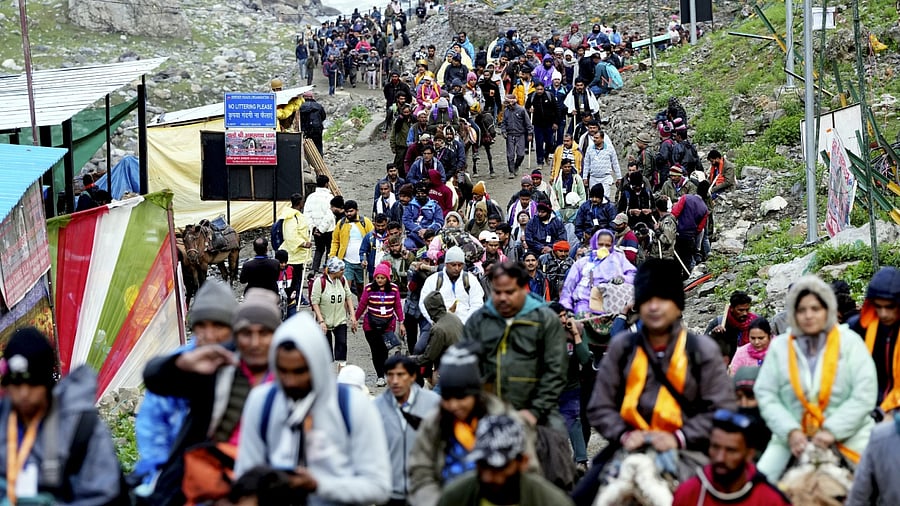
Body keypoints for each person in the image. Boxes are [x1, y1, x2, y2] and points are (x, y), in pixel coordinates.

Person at [585, 258, 735, 496]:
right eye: (647, 300)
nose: (654, 307)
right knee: (581, 497)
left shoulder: (701, 350)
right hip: (631, 444)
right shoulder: (622, 348)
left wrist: (680, 437)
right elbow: (599, 405)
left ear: (677, 305)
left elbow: (722, 408)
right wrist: (624, 435)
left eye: (662, 299)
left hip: (688, 449)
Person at [233, 312, 392, 505]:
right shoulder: (261, 402)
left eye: (300, 371)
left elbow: (378, 487)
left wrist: (318, 485)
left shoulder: (353, 405)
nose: (290, 381)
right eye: (282, 370)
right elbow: (245, 476)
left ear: (317, 365)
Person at [143, 288, 281, 505]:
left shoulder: (289, 374)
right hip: (205, 477)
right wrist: (181, 364)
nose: (255, 343)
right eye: (247, 333)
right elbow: (154, 380)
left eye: (264, 333)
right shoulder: (217, 366)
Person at [753, 275, 877, 480]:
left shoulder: (850, 342)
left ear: (828, 310)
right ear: (793, 313)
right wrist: (790, 431)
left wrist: (832, 431)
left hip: (850, 434)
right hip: (792, 436)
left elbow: (864, 393)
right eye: (801, 310)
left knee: (880, 479)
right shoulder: (780, 347)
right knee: (760, 485)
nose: (808, 316)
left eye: (815, 309)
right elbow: (766, 393)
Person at [0, 328, 126, 504]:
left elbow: (104, 495)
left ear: (47, 381)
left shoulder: (81, 425)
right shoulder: (3, 420)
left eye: (33, 382)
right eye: (15, 382)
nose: (23, 393)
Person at [133, 281, 237, 492]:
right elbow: (152, 422)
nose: (209, 335)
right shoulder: (181, 361)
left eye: (218, 326)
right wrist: (163, 466)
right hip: (178, 465)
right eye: (202, 326)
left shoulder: (242, 364)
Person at [408, 345, 540, 506]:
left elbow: (530, 473)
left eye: (461, 397)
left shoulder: (507, 422)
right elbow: (421, 473)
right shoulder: (435, 423)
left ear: (477, 393)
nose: (454, 405)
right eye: (447, 398)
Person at [462, 261, 567, 429]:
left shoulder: (545, 320)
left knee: (554, 445)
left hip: (538, 416)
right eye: (497, 292)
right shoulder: (478, 321)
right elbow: (466, 366)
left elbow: (556, 370)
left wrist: (535, 411)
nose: (503, 298)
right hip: (488, 413)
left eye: (510, 292)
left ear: (522, 289)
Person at [438, 415, 575, 506]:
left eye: (499, 468)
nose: (488, 477)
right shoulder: (455, 497)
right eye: (483, 465)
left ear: (523, 462)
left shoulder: (550, 501)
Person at [672, 409, 791, 505]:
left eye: (731, 450)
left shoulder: (771, 500)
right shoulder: (688, 493)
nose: (720, 458)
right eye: (715, 447)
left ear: (749, 454)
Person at [374, 356, 441, 506]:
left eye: (400, 375)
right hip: (389, 492)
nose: (395, 381)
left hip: (425, 492)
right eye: (390, 375)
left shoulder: (433, 404)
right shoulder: (376, 408)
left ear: (412, 377)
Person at [849, 266, 900, 419]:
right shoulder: (858, 328)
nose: (884, 313)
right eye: (878, 306)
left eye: (890, 307)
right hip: (865, 406)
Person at [548, 302, 592, 471]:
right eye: (558, 317)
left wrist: (575, 334)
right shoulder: (543, 334)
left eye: (564, 315)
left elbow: (585, 359)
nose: (563, 320)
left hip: (572, 385)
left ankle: (581, 461)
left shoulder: (576, 330)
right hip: (551, 388)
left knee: (575, 421)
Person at [354, 262, 405, 387]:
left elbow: (397, 306)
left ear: (387, 278)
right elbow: (362, 305)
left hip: (388, 325)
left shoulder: (393, 289)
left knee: (384, 349)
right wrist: (354, 319)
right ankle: (380, 376)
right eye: (378, 278)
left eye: (382, 278)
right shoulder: (369, 288)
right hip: (371, 325)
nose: (380, 280)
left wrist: (401, 322)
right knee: (376, 350)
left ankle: (385, 372)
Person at [418, 246, 484, 324]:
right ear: (446, 264)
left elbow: (477, 304)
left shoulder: (471, 280)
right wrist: (435, 321)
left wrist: (464, 324)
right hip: (440, 326)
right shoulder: (433, 280)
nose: (457, 268)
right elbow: (423, 303)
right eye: (453, 265)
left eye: (460, 265)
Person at [311, 257, 356, 368]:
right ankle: (327, 376)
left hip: (340, 320)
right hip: (325, 320)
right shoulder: (320, 282)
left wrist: (353, 316)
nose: (343, 271)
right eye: (341, 269)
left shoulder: (342, 280)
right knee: (326, 351)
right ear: (334, 270)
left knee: (342, 346)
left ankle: (341, 375)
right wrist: (321, 320)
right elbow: (315, 302)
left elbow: (348, 296)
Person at [412, 291, 464, 374]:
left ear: (429, 309)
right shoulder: (453, 317)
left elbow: (428, 357)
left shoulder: (438, 329)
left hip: (451, 369)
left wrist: (409, 359)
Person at [331, 200, 374, 296]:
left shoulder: (365, 222)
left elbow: (373, 238)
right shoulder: (341, 223)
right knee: (346, 289)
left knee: (361, 290)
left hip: (362, 262)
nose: (349, 214)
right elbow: (335, 241)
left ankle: (360, 309)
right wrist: (332, 256)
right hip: (346, 261)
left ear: (357, 210)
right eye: (347, 212)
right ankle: (346, 311)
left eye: (351, 211)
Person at [706, 291, 759, 364]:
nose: (745, 313)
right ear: (731, 309)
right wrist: (713, 334)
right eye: (740, 310)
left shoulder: (755, 322)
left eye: (747, 310)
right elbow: (703, 345)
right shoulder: (719, 322)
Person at [282, 193, 313, 304]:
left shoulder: (297, 215)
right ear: (300, 203)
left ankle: (298, 297)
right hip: (293, 255)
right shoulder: (291, 218)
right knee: (293, 279)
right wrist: (303, 244)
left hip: (298, 255)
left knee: (298, 278)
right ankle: (294, 298)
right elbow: (291, 236)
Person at [304, 175, 337, 275]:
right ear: (326, 184)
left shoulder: (310, 197)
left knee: (319, 249)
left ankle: (314, 269)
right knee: (329, 249)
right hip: (328, 229)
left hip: (315, 229)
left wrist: (313, 228)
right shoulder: (330, 197)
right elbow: (330, 215)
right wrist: (321, 229)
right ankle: (327, 269)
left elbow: (307, 213)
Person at [403, 182, 445, 250]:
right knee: (408, 245)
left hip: (431, 236)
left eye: (423, 193)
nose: (420, 195)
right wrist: (419, 229)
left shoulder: (435, 206)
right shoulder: (410, 206)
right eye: (418, 194)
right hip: (414, 236)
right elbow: (406, 220)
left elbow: (439, 222)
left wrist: (428, 231)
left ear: (427, 194)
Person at [582, 130, 621, 202]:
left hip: (605, 178)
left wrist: (619, 177)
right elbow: (586, 163)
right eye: (594, 138)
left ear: (602, 139)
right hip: (593, 178)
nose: (594, 139)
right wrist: (584, 177)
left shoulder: (610, 148)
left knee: (604, 199)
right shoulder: (589, 148)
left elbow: (615, 163)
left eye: (597, 138)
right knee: (594, 199)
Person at [501, 94, 534, 178]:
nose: (506, 104)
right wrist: (503, 131)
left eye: (508, 102)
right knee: (510, 155)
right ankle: (511, 171)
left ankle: (516, 166)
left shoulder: (521, 110)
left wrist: (530, 133)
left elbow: (528, 123)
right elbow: (503, 123)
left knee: (521, 154)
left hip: (520, 135)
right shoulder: (506, 111)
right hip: (510, 135)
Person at [299, 91, 327, 155]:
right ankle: (319, 159)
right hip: (317, 129)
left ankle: (307, 161)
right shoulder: (319, 106)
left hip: (305, 130)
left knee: (304, 147)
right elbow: (323, 117)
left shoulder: (301, 107)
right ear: (312, 97)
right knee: (318, 145)